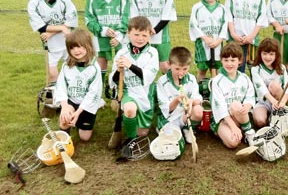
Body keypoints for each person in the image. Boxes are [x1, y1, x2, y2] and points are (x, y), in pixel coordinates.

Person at [27, 0, 78, 92]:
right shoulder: (34, 4)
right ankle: (52, 98)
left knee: (73, 69)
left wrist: (51, 33)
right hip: (51, 45)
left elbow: (71, 21)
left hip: (67, 42)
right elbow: (42, 27)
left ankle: (72, 96)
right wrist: (60, 27)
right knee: (52, 74)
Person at [109, 16, 159, 144]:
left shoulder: (153, 53)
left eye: (144, 35)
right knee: (130, 109)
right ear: (128, 34)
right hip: (128, 92)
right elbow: (113, 81)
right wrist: (118, 70)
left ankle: (132, 123)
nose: (140, 39)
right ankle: (131, 141)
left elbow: (147, 76)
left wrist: (130, 65)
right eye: (136, 34)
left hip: (144, 94)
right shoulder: (122, 53)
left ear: (149, 35)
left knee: (142, 133)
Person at [85, 0, 130, 98]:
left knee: (121, 62)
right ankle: (97, 94)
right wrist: (103, 31)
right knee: (101, 63)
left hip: (120, 38)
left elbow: (127, 15)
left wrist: (120, 35)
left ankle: (119, 91)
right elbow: (89, 20)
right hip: (100, 39)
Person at [130, 0, 177, 74]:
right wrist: (144, 32)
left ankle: (169, 90)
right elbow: (134, 16)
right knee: (142, 65)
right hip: (141, 35)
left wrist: (154, 30)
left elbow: (168, 14)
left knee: (165, 66)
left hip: (161, 36)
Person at [54, 29, 104, 141]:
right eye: (72, 48)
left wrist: (78, 113)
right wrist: (65, 107)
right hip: (71, 101)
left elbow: (93, 94)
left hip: (86, 105)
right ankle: (64, 139)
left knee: (84, 137)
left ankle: (78, 119)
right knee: (64, 121)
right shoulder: (66, 66)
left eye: (79, 46)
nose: (76, 50)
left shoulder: (94, 68)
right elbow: (61, 86)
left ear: (88, 46)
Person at [210, 42, 256, 148]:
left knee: (236, 105)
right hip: (224, 119)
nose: (229, 64)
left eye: (233, 60)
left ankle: (248, 132)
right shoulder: (217, 81)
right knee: (233, 143)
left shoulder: (244, 78)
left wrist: (247, 106)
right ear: (221, 61)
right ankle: (229, 131)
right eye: (226, 60)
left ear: (240, 61)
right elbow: (220, 108)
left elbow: (250, 97)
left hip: (237, 115)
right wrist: (232, 127)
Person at [225, 0, 268, 73]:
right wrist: (233, 34)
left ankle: (253, 88)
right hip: (235, 38)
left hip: (251, 39)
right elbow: (228, 14)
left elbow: (261, 18)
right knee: (236, 64)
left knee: (253, 66)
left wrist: (251, 36)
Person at [156, 47, 203, 143]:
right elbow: (166, 109)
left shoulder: (192, 78)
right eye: (177, 69)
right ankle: (170, 130)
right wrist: (177, 100)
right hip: (169, 119)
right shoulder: (162, 81)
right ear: (169, 64)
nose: (181, 73)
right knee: (173, 141)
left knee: (198, 110)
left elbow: (198, 98)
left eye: (185, 69)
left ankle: (187, 128)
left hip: (185, 116)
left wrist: (191, 101)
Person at [189, 0, 228, 81]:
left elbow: (225, 26)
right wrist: (205, 38)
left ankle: (216, 93)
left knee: (216, 70)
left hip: (217, 45)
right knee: (202, 71)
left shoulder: (222, 9)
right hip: (203, 45)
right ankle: (199, 92)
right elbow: (193, 25)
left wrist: (219, 40)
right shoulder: (197, 8)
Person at [250, 38, 288, 128]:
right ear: (260, 54)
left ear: (276, 55)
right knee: (260, 122)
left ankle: (279, 112)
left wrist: (282, 102)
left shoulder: (282, 68)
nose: (268, 57)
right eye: (265, 53)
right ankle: (271, 117)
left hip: (279, 100)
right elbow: (261, 88)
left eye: (271, 54)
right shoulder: (256, 69)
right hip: (263, 102)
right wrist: (273, 102)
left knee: (274, 85)